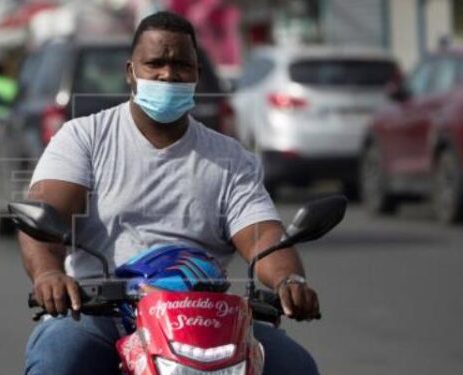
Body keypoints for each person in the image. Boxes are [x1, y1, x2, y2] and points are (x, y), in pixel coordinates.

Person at [19, 12, 320, 375]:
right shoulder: (84, 137)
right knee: (58, 359)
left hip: (207, 320)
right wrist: (48, 274)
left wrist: (290, 280)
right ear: (131, 72)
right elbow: (44, 216)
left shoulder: (230, 158)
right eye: (155, 63)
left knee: (296, 366)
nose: (167, 74)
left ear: (195, 73)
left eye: (180, 64)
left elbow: (264, 237)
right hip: (102, 313)